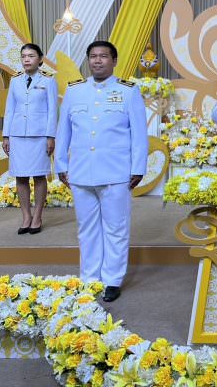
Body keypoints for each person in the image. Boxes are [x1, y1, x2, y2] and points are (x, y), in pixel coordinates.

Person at [55, 41, 147, 302]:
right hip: (81, 171)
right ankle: (89, 278)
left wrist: (138, 167)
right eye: (93, 56)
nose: (97, 61)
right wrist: (61, 163)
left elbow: (139, 134)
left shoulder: (128, 91)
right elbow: (64, 131)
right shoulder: (75, 91)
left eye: (103, 57)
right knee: (87, 228)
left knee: (116, 228)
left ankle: (112, 280)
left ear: (114, 61)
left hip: (116, 172)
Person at [2, 43, 58, 235]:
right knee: (21, 175)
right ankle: (26, 215)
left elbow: (53, 111)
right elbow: (9, 110)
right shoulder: (15, 81)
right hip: (17, 135)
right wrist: (6, 135)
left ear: (40, 59)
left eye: (31, 56)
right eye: (23, 56)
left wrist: (51, 136)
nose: (26, 59)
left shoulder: (49, 81)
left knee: (39, 175)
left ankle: (38, 215)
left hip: (40, 135)